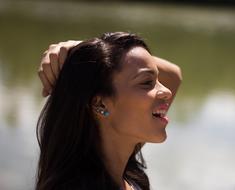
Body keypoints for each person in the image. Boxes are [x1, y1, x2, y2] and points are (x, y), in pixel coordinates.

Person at [36, 32, 182, 190]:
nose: (167, 91)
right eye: (147, 82)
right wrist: (93, 54)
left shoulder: (120, 165)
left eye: (158, 79)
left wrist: (91, 51)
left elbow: (174, 75)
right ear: (101, 104)